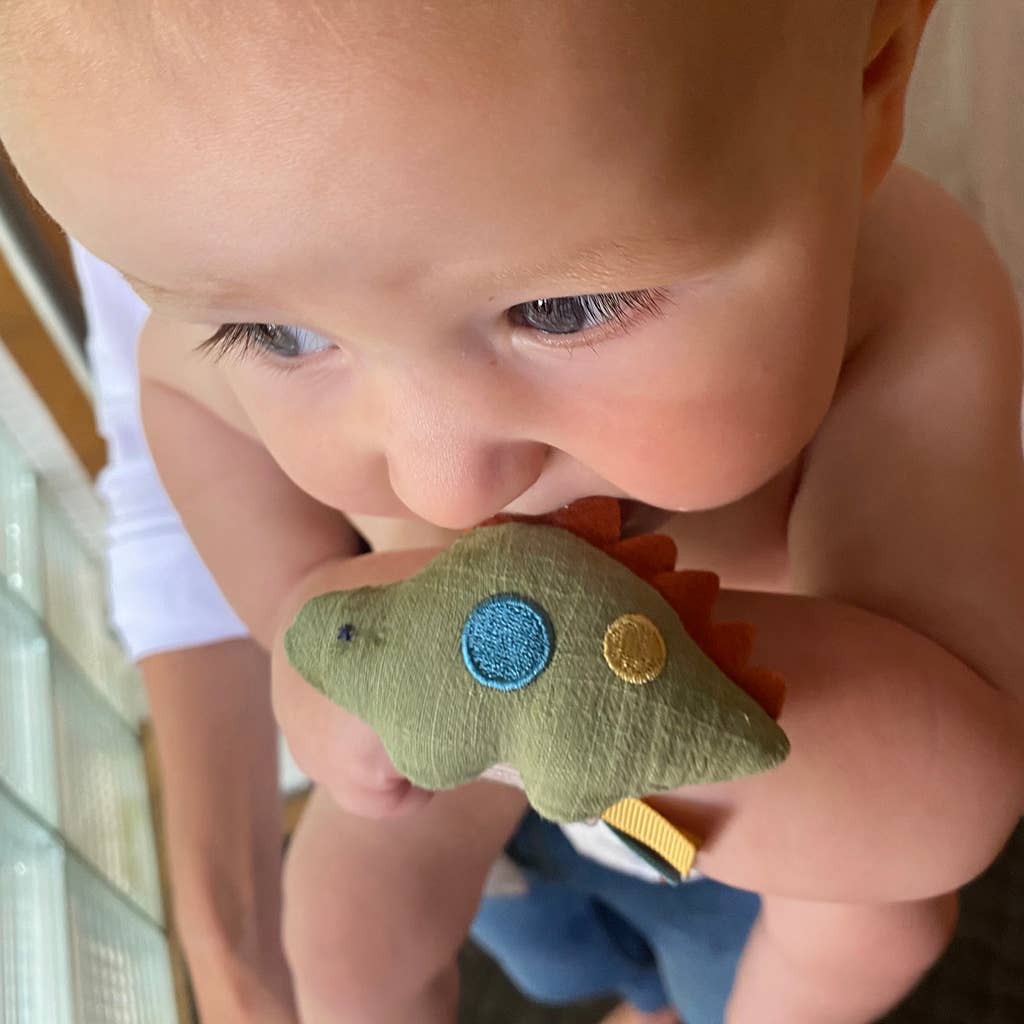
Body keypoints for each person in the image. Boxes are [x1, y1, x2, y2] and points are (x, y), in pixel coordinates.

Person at [2, 2, 1023, 1022]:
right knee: (340, 920)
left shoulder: (899, 308)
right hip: (474, 810)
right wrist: (299, 612)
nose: (442, 487)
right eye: (279, 335)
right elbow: (179, 391)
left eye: (562, 310)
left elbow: (954, 793)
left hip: (762, 820)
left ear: (869, 82)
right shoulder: (269, 283)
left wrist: (583, 703)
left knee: (869, 925)